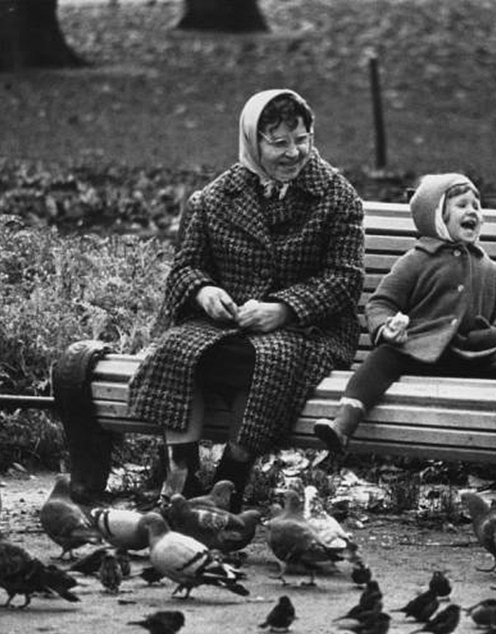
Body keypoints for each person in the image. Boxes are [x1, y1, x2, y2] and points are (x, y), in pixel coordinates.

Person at [128, 88, 365, 512]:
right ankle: (179, 474)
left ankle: (231, 478)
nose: (294, 152)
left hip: (308, 329)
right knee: (176, 348)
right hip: (227, 324)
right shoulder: (217, 197)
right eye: (279, 143)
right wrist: (204, 291)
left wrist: (285, 308)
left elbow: (344, 279)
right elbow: (185, 268)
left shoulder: (337, 196)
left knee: (264, 360)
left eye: (302, 139)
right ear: (254, 143)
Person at [313, 172, 496, 453]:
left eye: (476, 206)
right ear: (436, 217)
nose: (472, 211)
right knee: (382, 359)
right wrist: (387, 328)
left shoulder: (486, 266)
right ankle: (344, 423)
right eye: (461, 205)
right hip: (418, 351)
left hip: (473, 353)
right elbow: (380, 303)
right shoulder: (416, 261)